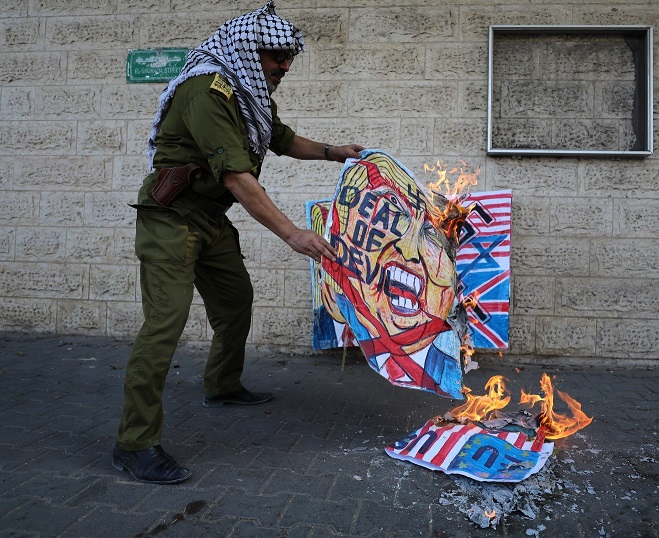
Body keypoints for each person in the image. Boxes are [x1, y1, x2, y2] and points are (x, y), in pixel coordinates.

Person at [112, 2, 364, 485]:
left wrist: (336, 153)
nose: (284, 66)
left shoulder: (250, 93)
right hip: (172, 219)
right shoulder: (207, 90)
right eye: (276, 56)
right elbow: (236, 177)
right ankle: (134, 443)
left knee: (235, 301)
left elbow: (281, 138)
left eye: (289, 58)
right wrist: (292, 232)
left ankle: (222, 385)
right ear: (248, 50)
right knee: (164, 325)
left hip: (209, 218)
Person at [320, 150, 463, 400]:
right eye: (391, 215)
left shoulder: (444, 365)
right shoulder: (345, 300)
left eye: (430, 233)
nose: (409, 251)